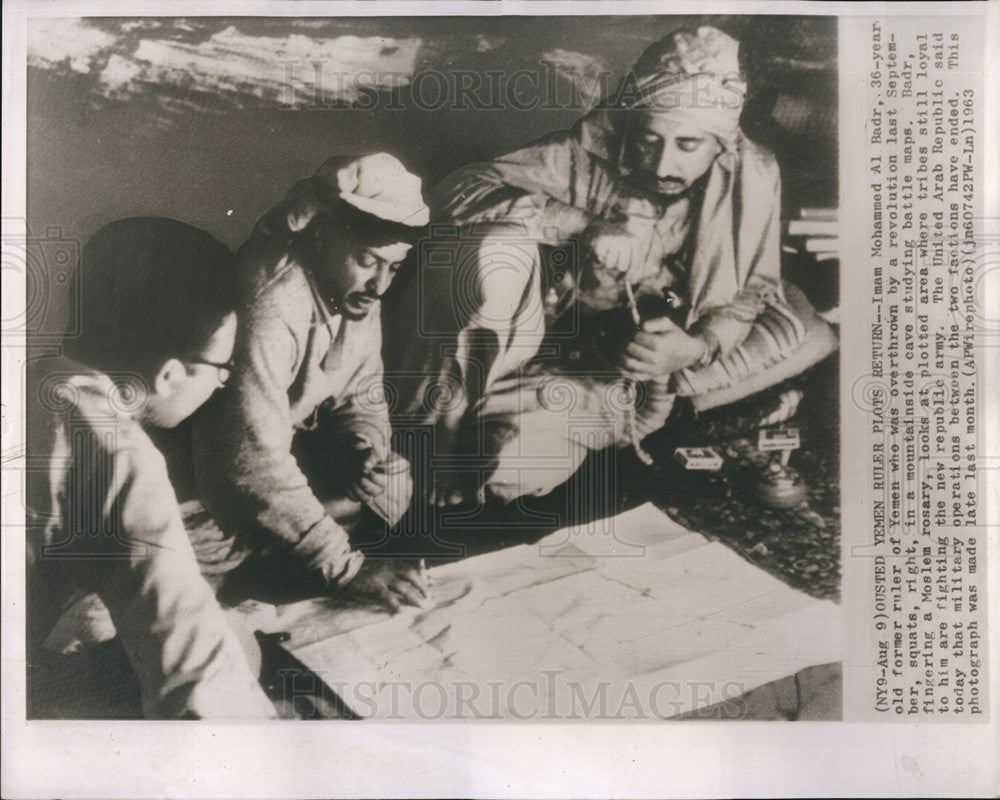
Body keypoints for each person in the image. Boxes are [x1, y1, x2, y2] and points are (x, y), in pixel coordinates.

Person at [382, 25, 836, 507]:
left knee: (512, 470)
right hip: (522, 330)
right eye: (649, 140)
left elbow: (753, 286)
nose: (663, 165)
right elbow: (456, 194)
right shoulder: (583, 153)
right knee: (494, 252)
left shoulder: (752, 177)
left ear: (720, 146)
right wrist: (580, 224)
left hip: (609, 359)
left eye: (688, 146)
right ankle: (437, 423)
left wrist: (697, 345)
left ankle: (496, 437)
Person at [26, 217, 277, 719]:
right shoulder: (120, 453)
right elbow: (193, 662)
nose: (224, 384)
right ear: (168, 375)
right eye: (222, 369)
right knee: (242, 654)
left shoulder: (34, 381)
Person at [191, 153, 431, 612]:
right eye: (369, 261)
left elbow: (363, 396)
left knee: (391, 475)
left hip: (275, 461)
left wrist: (360, 450)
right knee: (166, 605)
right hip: (205, 488)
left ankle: (293, 548)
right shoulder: (273, 300)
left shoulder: (356, 288)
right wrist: (348, 567)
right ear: (321, 237)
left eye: (395, 268)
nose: (381, 285)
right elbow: (248, 460)